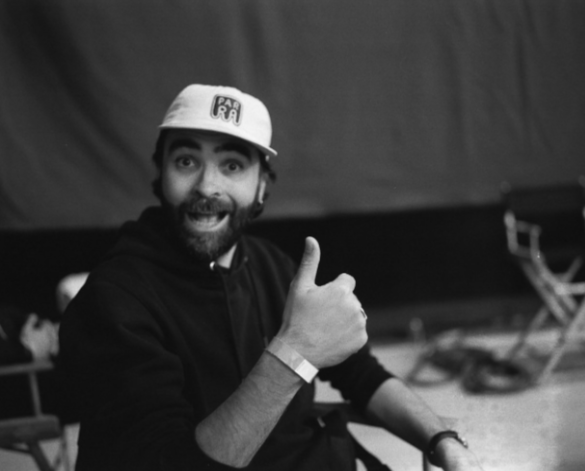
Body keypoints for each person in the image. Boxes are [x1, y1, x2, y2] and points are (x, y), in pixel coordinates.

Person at [59, 84, 483, 471]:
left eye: (232, 165)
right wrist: (293, 353)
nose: (207, 186)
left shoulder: (271, 265)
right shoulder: (113, 300)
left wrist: (443, 441)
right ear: (160, 172)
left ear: (262, 186)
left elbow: (362, 375)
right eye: (186, 161)